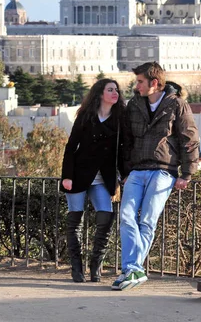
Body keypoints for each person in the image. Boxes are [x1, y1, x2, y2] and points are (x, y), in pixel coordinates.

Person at [112, 62, 199, 291]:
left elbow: (189, 140)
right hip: (137, 171)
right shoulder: (134, 105)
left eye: (140, 81)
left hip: (163, 171)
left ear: (154, 83)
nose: (136, 86)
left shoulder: (177, 105)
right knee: (127, 216)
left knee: (147, 221)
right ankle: (134, 269)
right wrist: (126, 171)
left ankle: (132, 269)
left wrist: (187, 174)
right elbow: (127, 141)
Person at [61, 78, 125, 283]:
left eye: (116, 89)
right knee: (75, 221)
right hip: (79, 176)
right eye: (110, 89)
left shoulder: (119, 118)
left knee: (106, 217)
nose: (115, 93)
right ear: (100, 94)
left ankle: (96, 265)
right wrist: (67, 177)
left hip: (102, 178)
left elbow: (123, 150)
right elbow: (71, 147)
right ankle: (77, 268)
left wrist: (123, 175)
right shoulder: (86, 117)